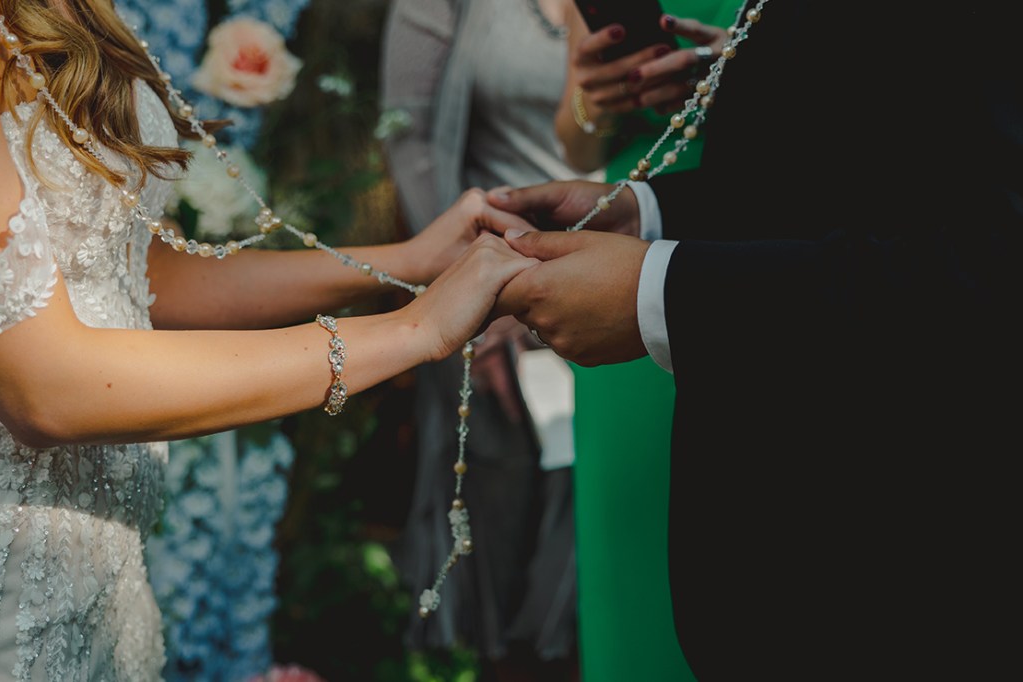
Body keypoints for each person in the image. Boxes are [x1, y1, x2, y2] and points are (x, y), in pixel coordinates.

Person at [0, 2, 538, 678]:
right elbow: (48, 388)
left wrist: (412, 260)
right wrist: (412, 330)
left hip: (107, 581)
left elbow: (140, 273)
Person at [488, 1, 1022, 679]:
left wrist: (669, 290)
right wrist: (647, 212)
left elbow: (990, 255)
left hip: (917, 551)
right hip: (771, 540)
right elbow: (870, 170)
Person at [379, 1, 595, 679]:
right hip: (489, 292)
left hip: (620, 280)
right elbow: (410, 139)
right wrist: (481, 303)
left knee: (598, 527)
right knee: (503, 514)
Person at [547, 4, 740, 681]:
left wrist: (742, 78)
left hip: (766, 234)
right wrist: (596, 100)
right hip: (626, 246)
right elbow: (575, 142)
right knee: (636, 552)